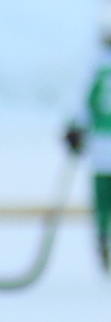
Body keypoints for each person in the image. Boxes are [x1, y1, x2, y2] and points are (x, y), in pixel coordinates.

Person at [65, 14, 111, 272]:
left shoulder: (95, 67)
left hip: (101, 146)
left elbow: (82, 107)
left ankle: (103, 242)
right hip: (103, 143)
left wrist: (75, 130)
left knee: (103, 200)